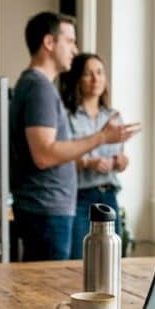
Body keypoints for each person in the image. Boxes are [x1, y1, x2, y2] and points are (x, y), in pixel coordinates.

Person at [9, 12, 139, 261]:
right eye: (69, 41)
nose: (75, 49)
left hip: (47, 208)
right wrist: (101, 137)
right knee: (49, 291)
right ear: (49, 43)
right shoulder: (39, 88)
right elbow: (44, 155)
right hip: (46, 209)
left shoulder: (37, 86)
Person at [58, 53, 129, 259]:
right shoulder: (67, 116)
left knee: (111, 258)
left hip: (109, 196)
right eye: (88, 74)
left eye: (99, 73)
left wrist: (120, 162)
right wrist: (88, 162)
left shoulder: (114, 116)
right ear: (78, 79)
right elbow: (61, 157)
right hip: (81, 198)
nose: (96, 79)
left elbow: (121, 158)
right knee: (80, 260)